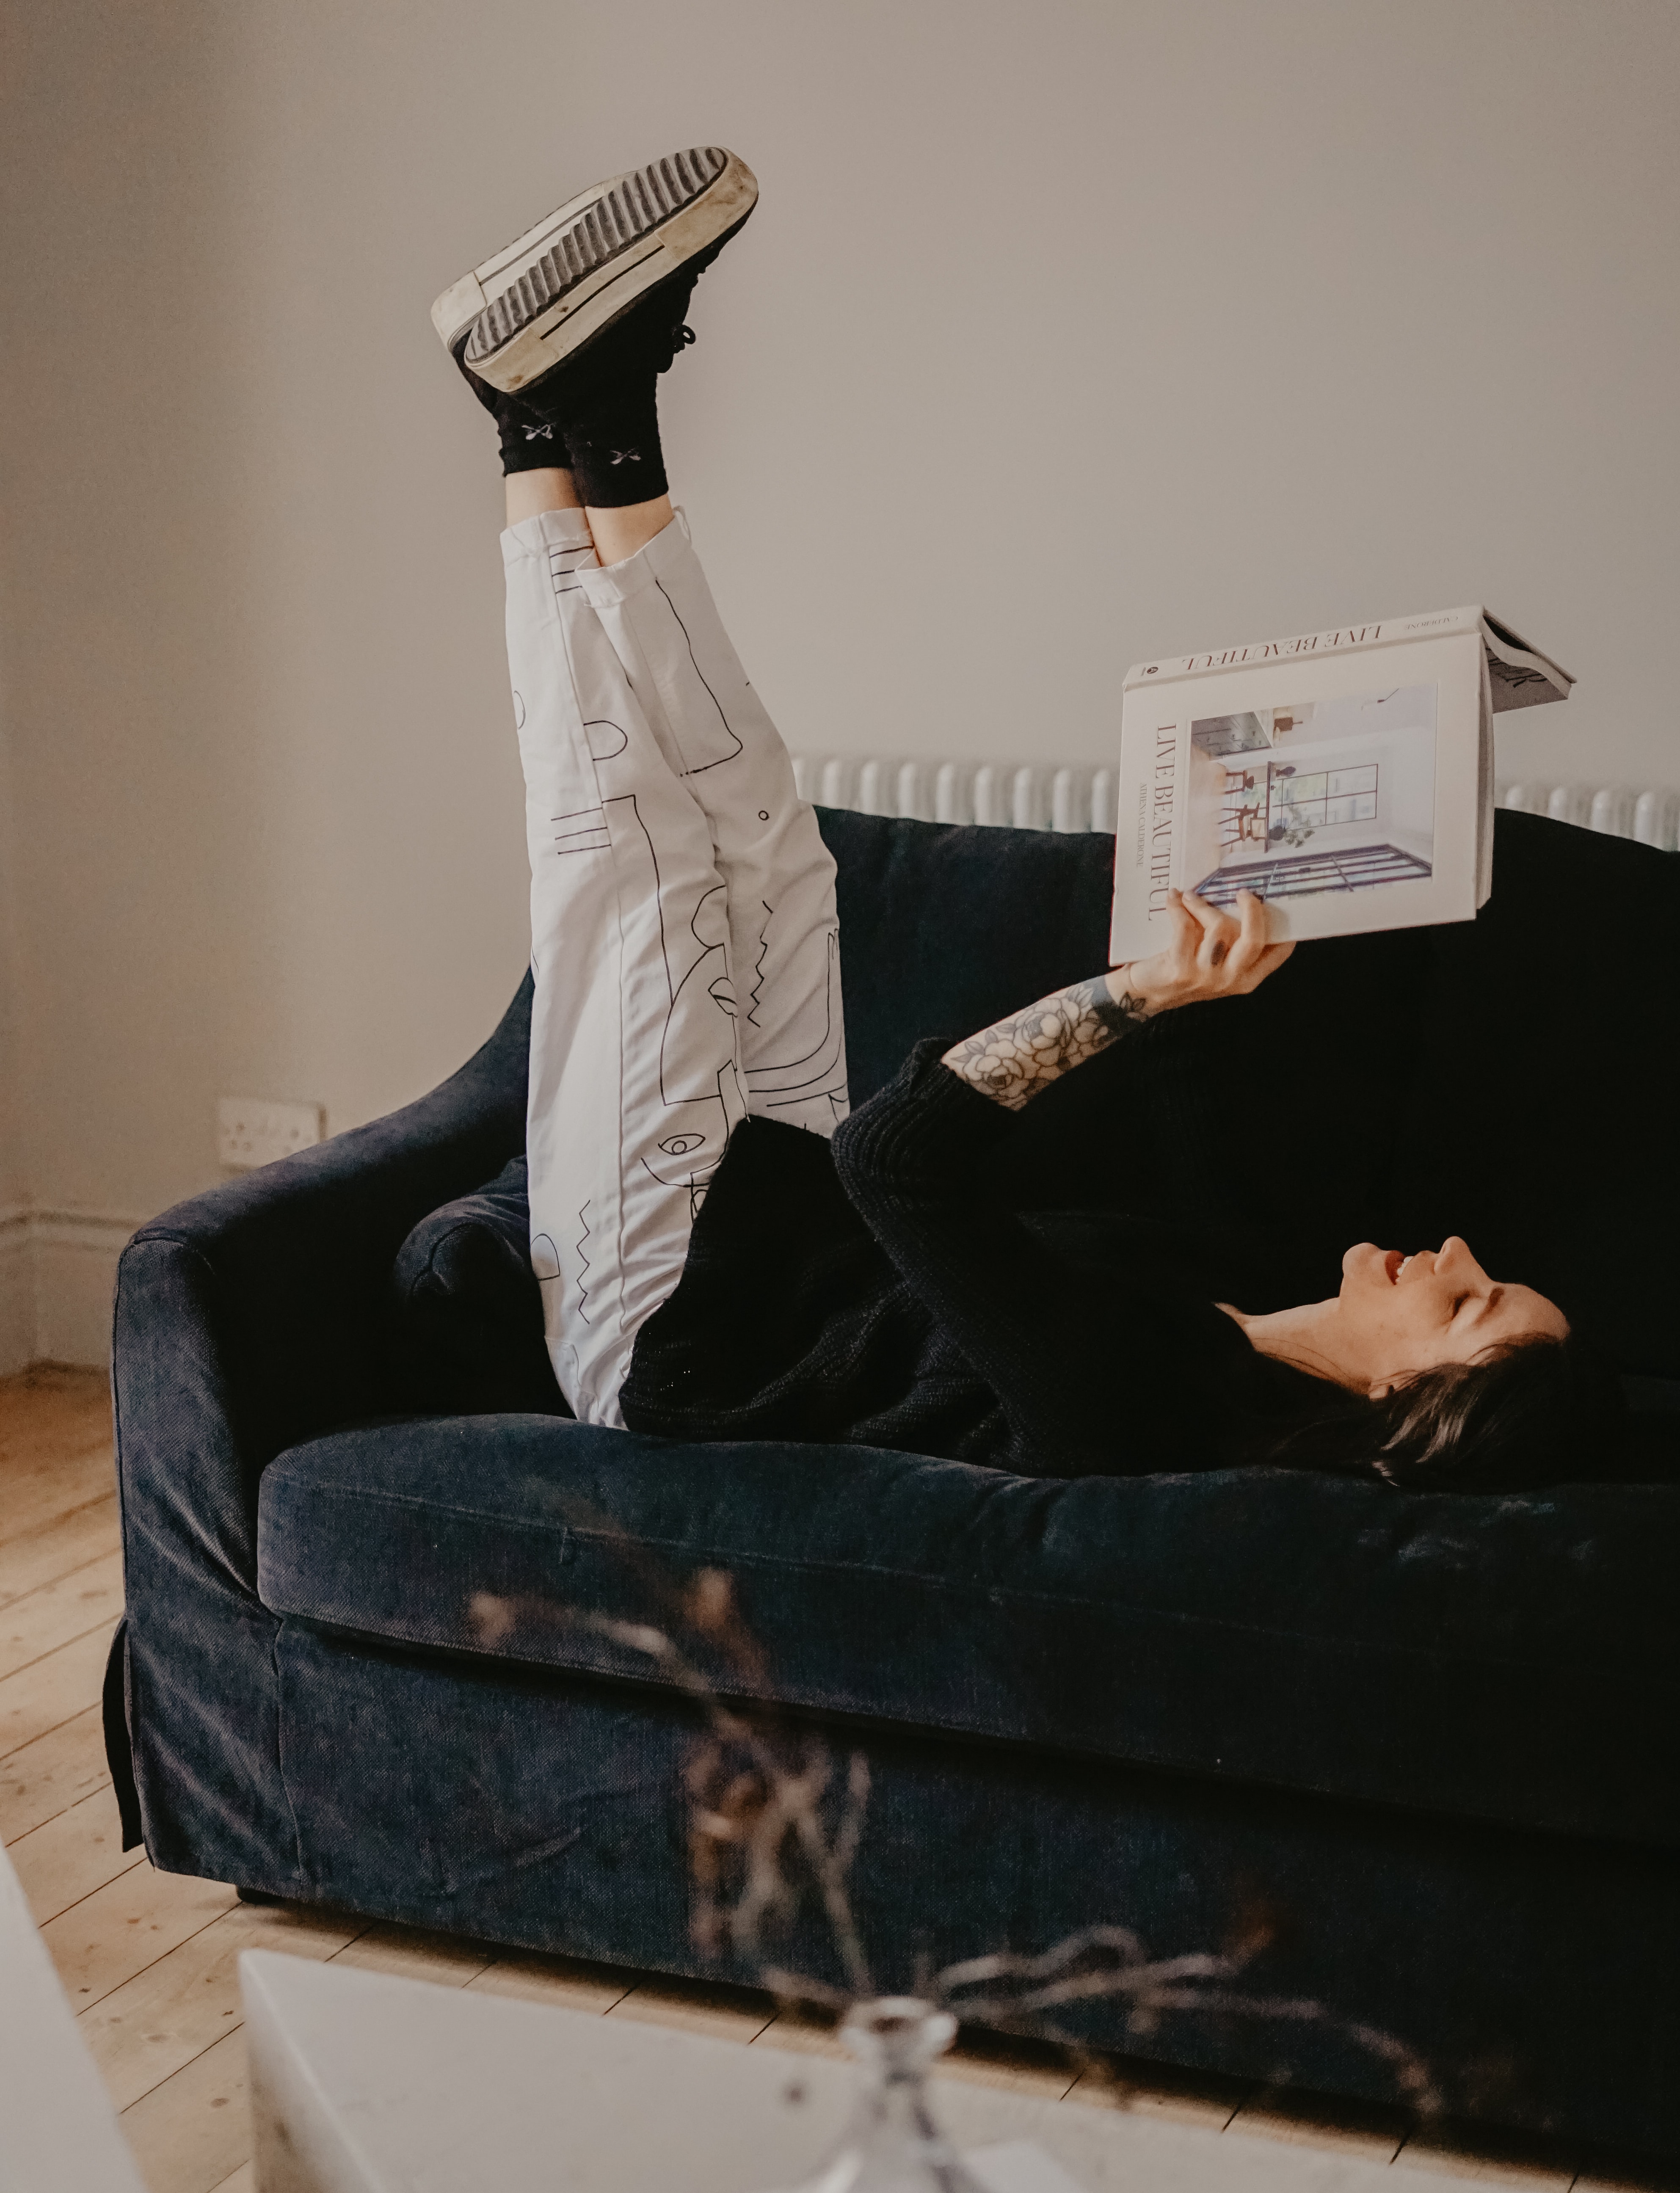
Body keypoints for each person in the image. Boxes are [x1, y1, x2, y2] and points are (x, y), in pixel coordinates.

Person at [434, 146, 1612, 1495]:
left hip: (669, 1329)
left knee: (639, 877)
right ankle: (586, 405)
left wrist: (1136, 997)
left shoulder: (1142, 1416)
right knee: (767, 837)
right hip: (781, 1211)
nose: (1461, 1256)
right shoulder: (1234, 1304)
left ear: (1408, 1398)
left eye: (1468, 1305)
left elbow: (900, 1162)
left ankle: (530, 437)